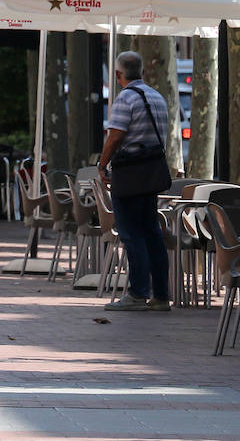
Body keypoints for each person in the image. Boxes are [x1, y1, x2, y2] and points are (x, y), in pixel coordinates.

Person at [97, 50, 170, 312]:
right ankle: (161, 295)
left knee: (131, 233)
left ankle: (138, 293)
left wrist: (102, 164)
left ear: (118, 74)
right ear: (143, 72)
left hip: (129, 175)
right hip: (152, 174)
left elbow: (115, 137)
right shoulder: (157, 97)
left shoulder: (125, 99)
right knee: (152, 232)